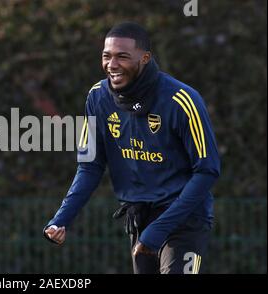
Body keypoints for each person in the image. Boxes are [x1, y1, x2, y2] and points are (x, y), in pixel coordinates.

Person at [43, 22, 220, 274]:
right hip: (140, 218)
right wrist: (61, 219)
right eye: (107, 56)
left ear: (145, 58)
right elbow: (90, 165)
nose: (112, 65)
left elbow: (207, 171)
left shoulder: (182, 100)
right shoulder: (97, 97)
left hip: (184, 218)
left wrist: (159, 230)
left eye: (122, 57)